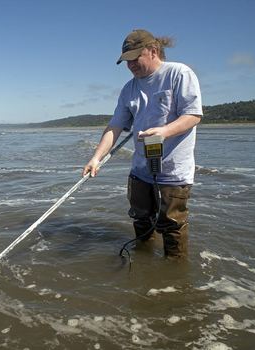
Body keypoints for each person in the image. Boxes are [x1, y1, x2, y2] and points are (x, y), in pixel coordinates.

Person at [83, 29, 203, 258]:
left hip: (173, 171)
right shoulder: (129, 88)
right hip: (140, 170)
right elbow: (115, 126)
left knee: (172, 227)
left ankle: (174, 280)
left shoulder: (179, 73)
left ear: (153, 51)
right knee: (140, 219)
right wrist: (96, 158)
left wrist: (165, 131)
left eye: (134, 59)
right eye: (126, 61)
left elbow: (193, 115)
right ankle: (143, 267)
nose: (130, 65)